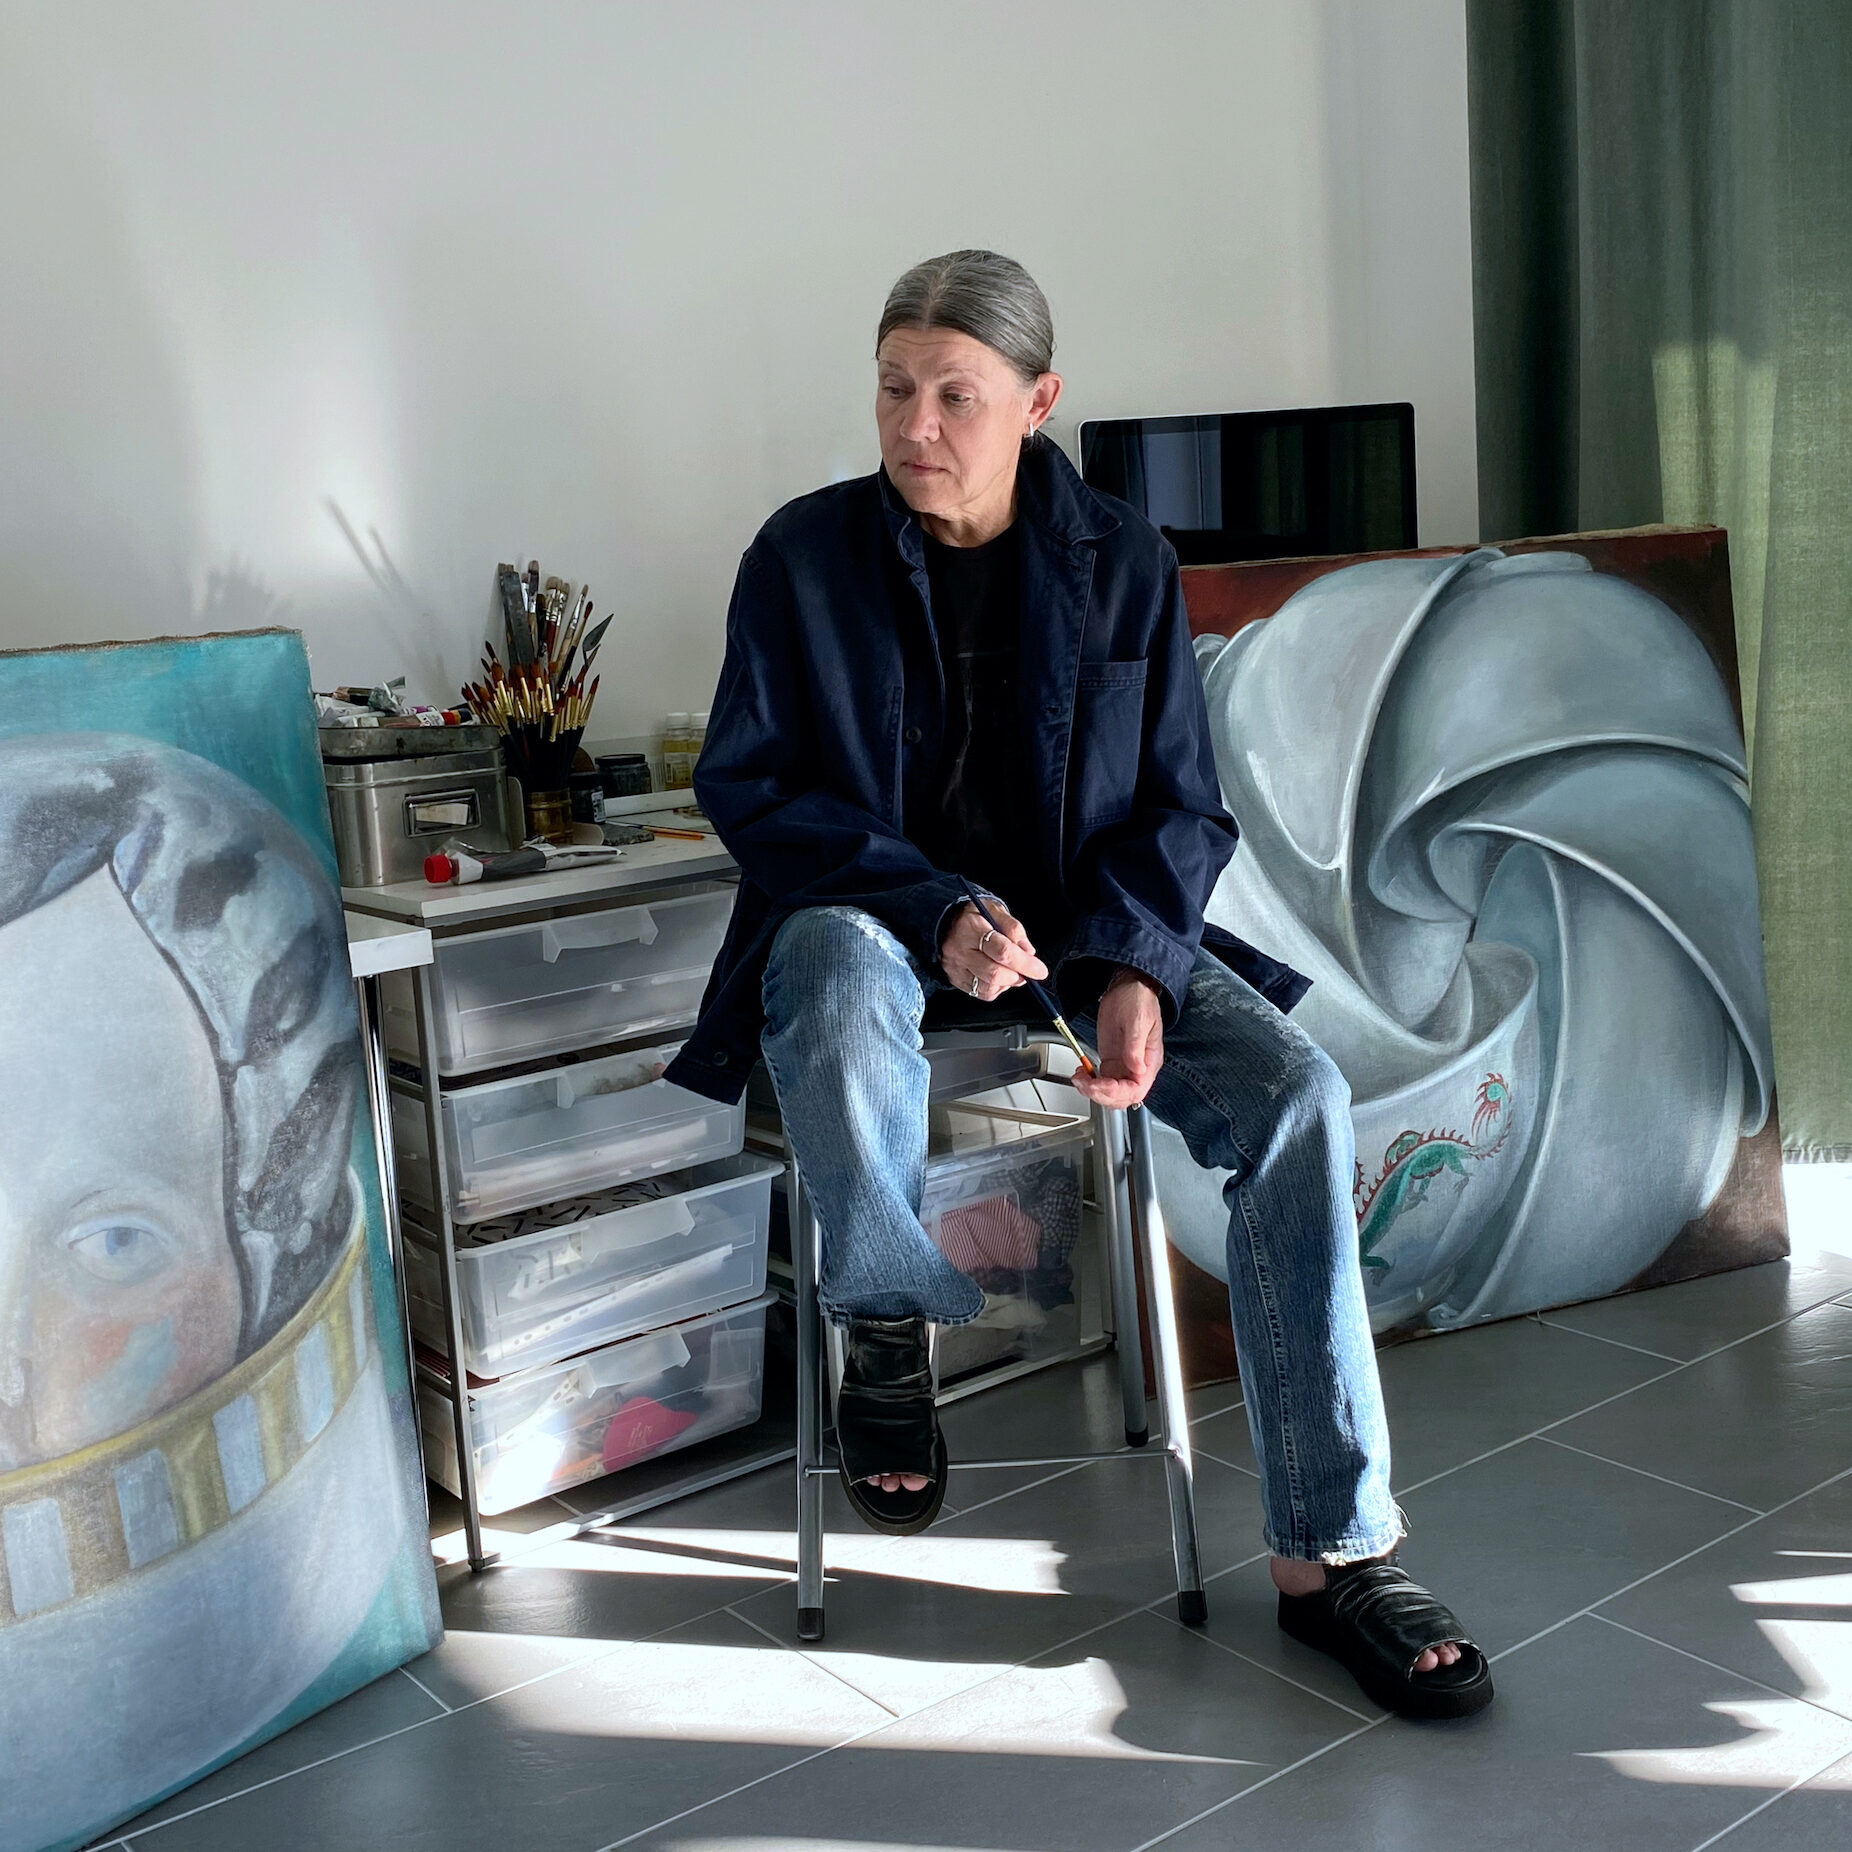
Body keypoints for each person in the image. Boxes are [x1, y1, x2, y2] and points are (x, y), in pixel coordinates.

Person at [664, 251, 1492, 1720]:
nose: (916, 425)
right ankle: (886, 1324)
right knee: (836, 967)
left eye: (955, 396)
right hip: (874, 931)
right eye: (894, 390)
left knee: (1299, 1093)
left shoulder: (1126, 561)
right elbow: (753, 787)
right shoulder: (799, 560)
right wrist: (932, 910)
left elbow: (1180, 806)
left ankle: (1334, 1558)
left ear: (1039, 402)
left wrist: (1137, 969)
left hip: (1081, 948)